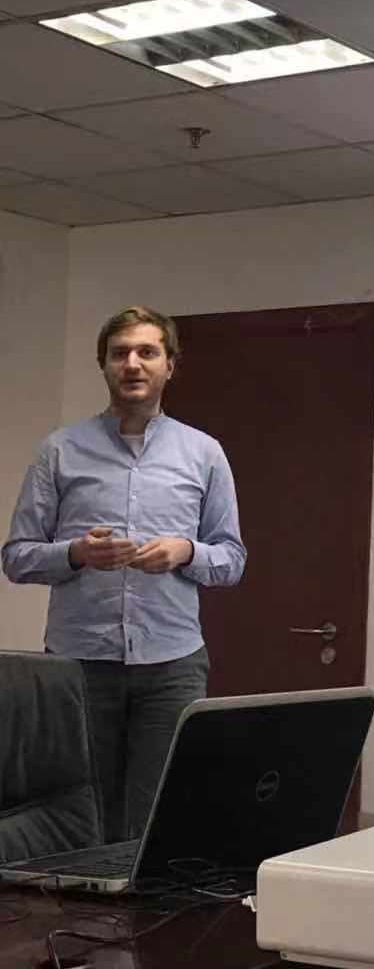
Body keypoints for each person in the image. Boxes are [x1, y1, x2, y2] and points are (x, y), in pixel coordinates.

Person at [2, 306, 246, 842]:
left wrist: (186, 552)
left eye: (147, 352)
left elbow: (232, 559)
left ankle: (142, 901)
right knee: (81, 816)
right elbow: (16, 556)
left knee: (162, 815)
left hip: (171, 664)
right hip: (78, 667)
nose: (132, 364)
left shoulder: (203, 453)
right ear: (104, 365)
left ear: (170, 365)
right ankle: (89, 901)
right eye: (120, 354)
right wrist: (75, 554)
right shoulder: (60, 450)